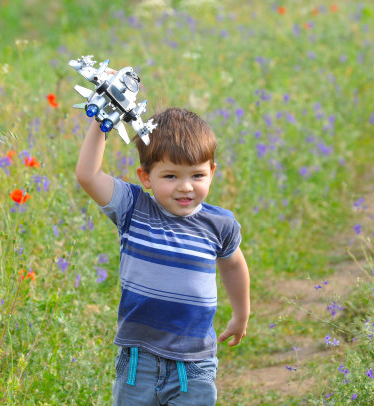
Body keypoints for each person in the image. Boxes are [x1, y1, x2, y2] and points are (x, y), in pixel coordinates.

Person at [76, 107, 250, 406]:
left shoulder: (219, 224)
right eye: (170, 176)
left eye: (197, 175)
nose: (185, 186)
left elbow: (233, 265)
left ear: (212, 171)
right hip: (137, 360)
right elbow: (88, 176)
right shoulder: (132, 209)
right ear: (146, 176)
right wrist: (102, 121)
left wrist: (241, 312)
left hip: (193, 362)